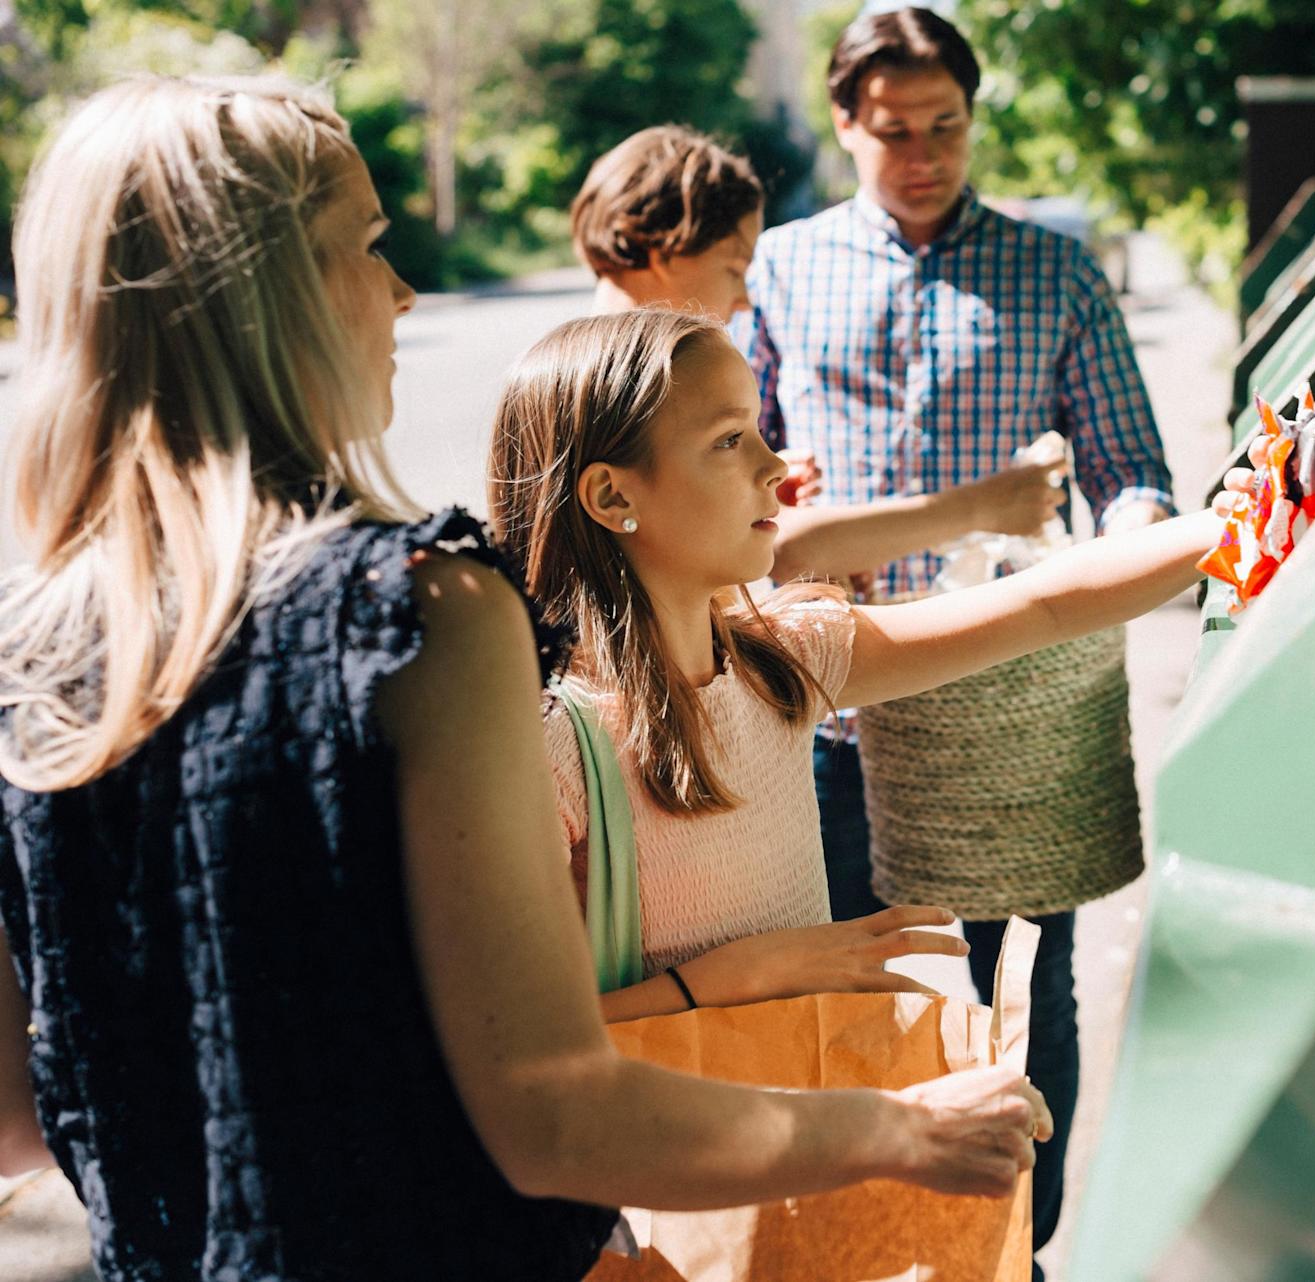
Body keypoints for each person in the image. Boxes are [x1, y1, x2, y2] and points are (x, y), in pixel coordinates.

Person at [0, 75, 1053, 1282]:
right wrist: (904, 1126)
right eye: (371, 244)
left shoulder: (32, 655)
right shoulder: (416, 612)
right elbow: (555, 1115)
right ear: (261, 296)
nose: (404, 292)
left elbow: (22, 1119)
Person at [734, 8, 1177, 1263]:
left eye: (946, 127)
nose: (923, 155)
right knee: (835, 998)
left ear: (974, 120)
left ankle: (1010, 1249)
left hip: (1001, 717)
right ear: (843, 125)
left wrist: (1115, 543)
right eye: (893, 133)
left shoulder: (1057, 274)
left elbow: (1131, 470)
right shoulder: (780, 271)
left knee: (1015, 1001)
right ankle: (861, 1249)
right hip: (818, 711)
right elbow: (727, 471)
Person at [486, 308, 1235, 1026]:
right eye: (728, 441)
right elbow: (505, 1044)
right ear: (613, 495)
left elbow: (1042, 606)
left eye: (758, 431)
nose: (774, 465)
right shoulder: (547, 743)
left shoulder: (781, 660)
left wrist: (1242, 521)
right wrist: (734, 981)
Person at [569, 122, 1067, 583]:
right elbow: (788, 550)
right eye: (733, 268)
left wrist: (754, 495)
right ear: (662, 245)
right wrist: (981, 508)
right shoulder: (633, 389)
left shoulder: (593, 369)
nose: (744, 299)